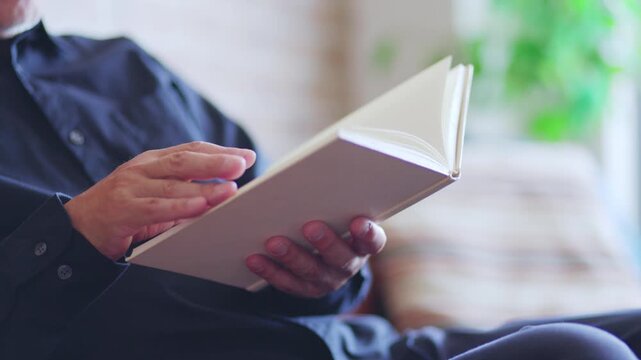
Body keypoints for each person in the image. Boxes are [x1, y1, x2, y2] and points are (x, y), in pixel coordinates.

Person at [1, 1, 640, 359]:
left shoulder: (124, 66)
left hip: (372, 349)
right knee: (583, 355)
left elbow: (275, 211)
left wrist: (325, 274)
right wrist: (74, 233)